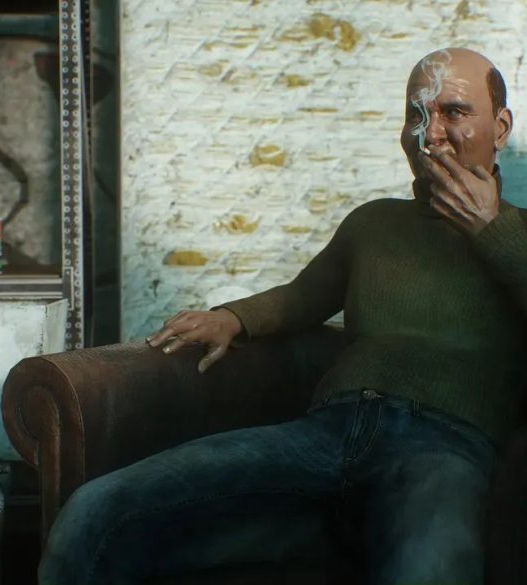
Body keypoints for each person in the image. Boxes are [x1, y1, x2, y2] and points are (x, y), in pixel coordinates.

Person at [38, 47, 527, 585]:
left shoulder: (520, 233)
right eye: (416, 114)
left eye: (453, 112)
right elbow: (303, 297)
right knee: (93, 514)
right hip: (327, 432)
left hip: (444, 450)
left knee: (429, 566)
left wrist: (491, 230)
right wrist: (232, 318)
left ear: (501, 128)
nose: (429, 135)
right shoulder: (374, 223)